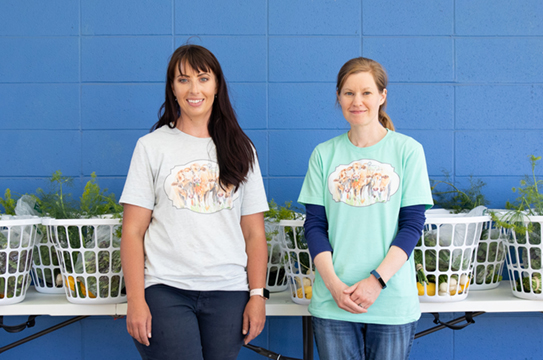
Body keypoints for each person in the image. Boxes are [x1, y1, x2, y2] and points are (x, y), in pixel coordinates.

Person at [119, 44, 269, 360]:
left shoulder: (242, 149)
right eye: (183, 80)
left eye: (203, 78)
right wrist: (136, 299)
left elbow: (254, 233)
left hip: (228, 291)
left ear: (217, 85)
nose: (194, 89)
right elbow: (133, 231)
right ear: (172, 88)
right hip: (165, 288)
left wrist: (257, 295)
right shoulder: (151, 147)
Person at [297, 57, 433, 360]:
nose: (357, 101)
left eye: (366, 93)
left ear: (382, 96)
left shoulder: (408, 150)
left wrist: (377, 281)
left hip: (390, 299)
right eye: (348, 93)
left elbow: (411, 225)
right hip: (334, 300)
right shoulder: (323, 154)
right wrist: (332, 285)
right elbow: (315, 226)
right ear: (338, 97)